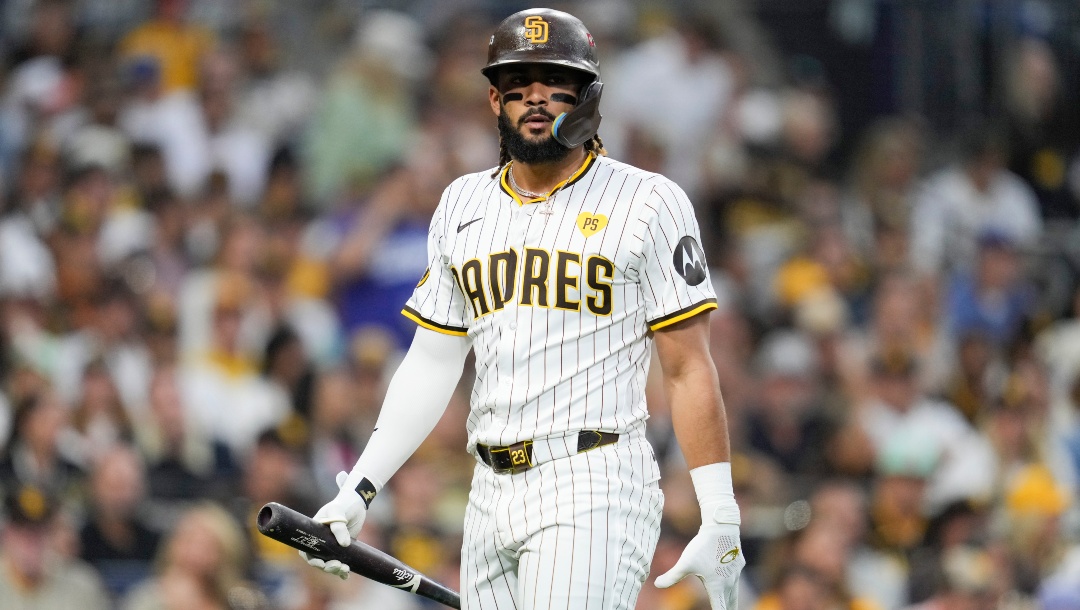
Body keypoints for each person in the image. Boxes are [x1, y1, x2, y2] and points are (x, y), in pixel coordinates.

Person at [302, 8, 745, 609]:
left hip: (594, 476)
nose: (535, 97)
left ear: (589, 96)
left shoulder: (649, 200)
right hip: (488, 488)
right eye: (517, 83)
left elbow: (688, 366)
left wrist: (719, 511)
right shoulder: (462, 203)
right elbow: (432, 362)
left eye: (554, 81)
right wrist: (360, 486)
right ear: (494, 99)